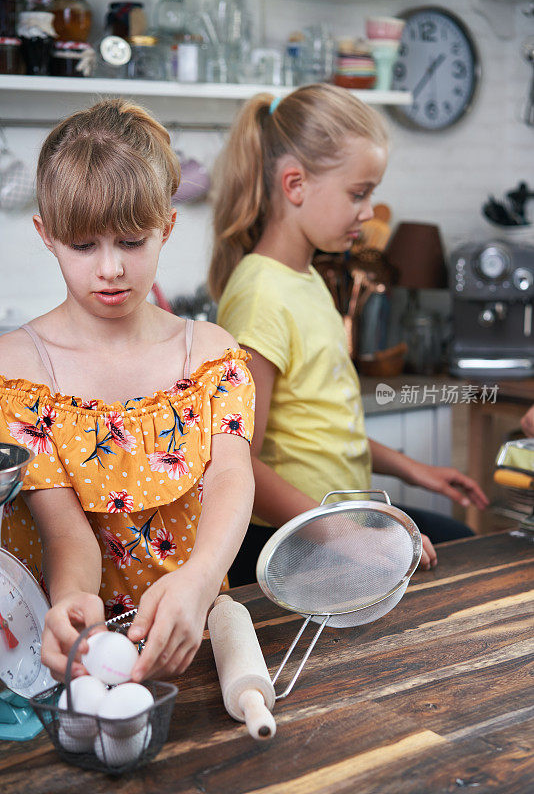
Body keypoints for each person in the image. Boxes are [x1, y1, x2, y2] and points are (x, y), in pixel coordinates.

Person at [0, 99, 255, 681]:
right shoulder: (17, 372)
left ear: (167, 225)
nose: (110, 269)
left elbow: (230, 477)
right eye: (84, 246)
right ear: (46, 234)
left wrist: (200, 578)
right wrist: (72, 601)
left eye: (132, 242)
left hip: (193, 637)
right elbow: (62, 527)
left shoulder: (210, 355)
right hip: (75, 658)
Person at [209, 84, 488, 586]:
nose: (368, 211)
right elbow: (237, 462)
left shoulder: (309, 279)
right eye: (358, 194)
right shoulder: (260, 296)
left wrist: (412, 469)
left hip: (337, 518)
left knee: (462, 546)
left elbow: (324, 424)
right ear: (295, 184)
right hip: (289, 539)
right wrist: (351, 538)